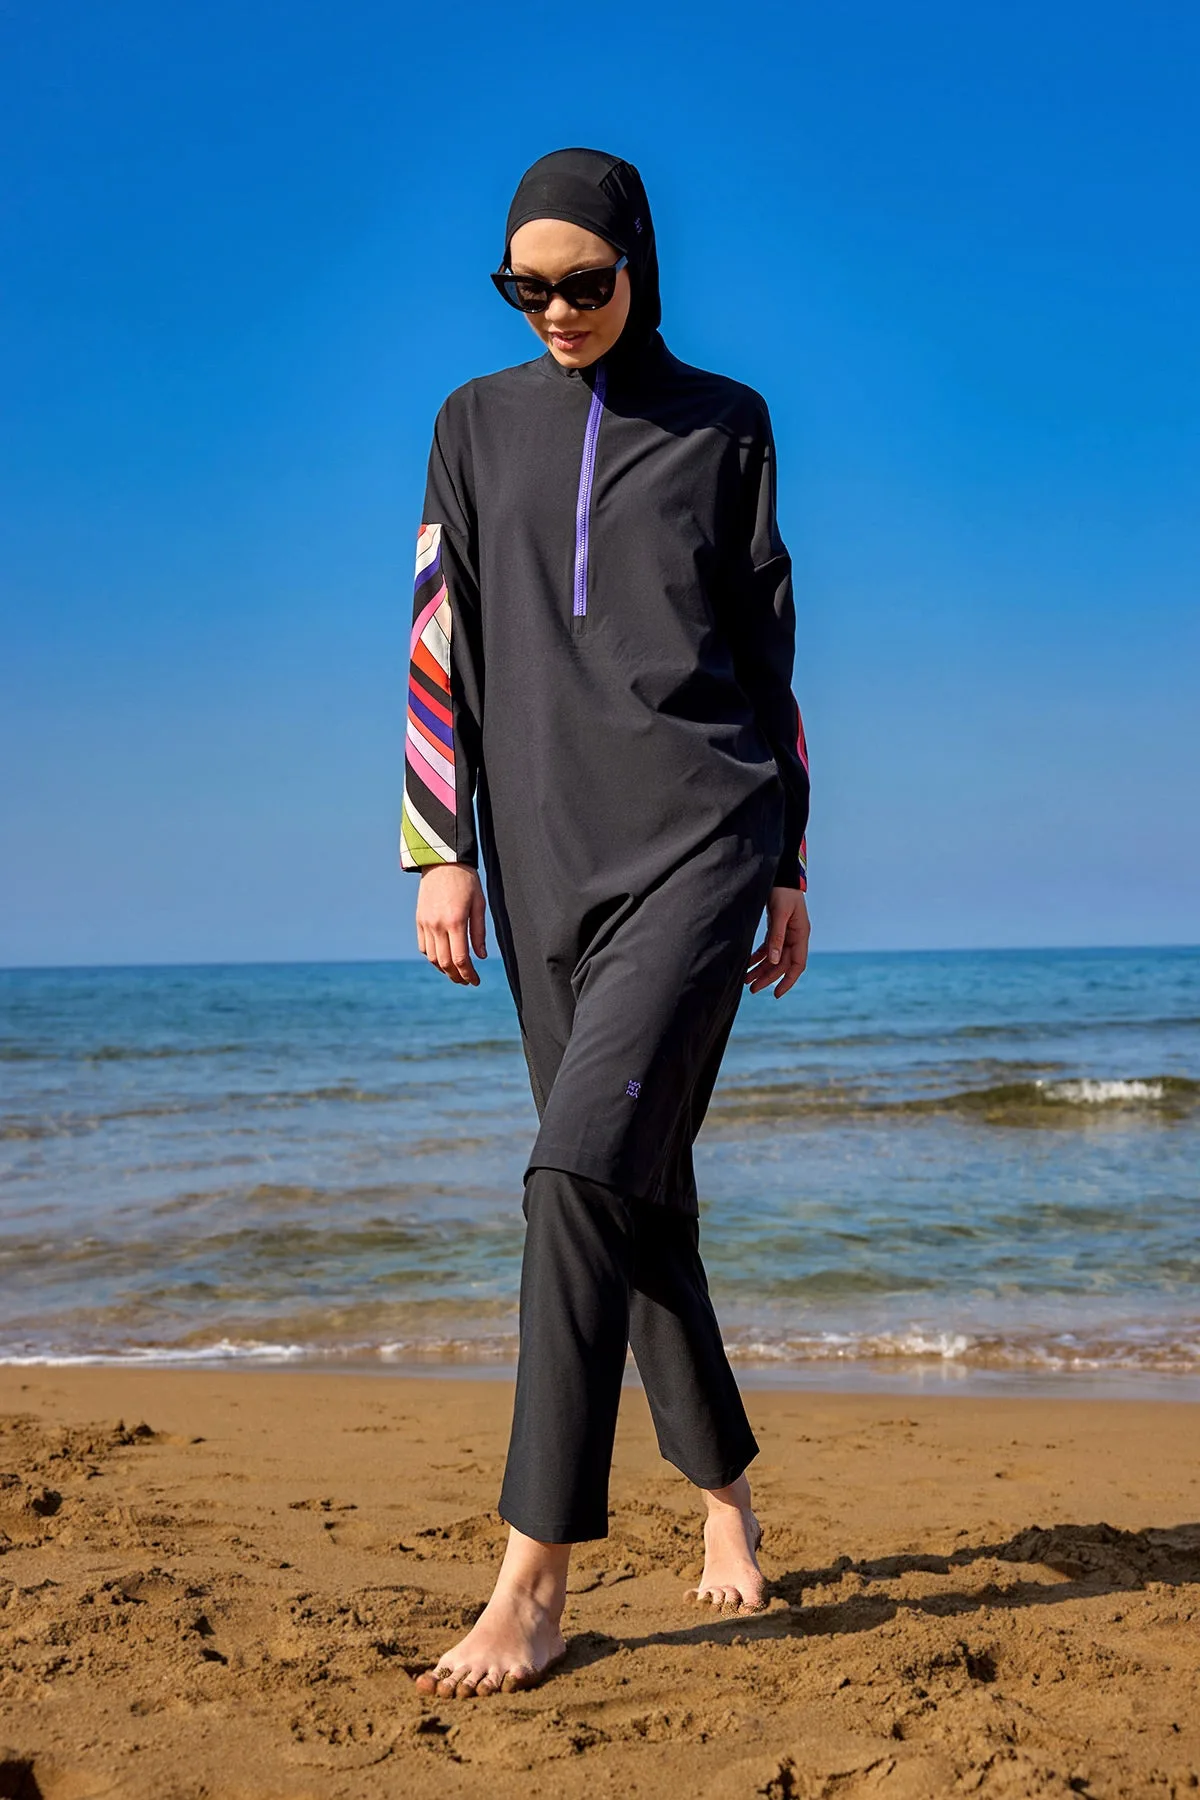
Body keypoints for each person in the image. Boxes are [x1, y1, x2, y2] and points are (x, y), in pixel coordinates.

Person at [401, 148, 811, 1699]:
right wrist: (442, 850)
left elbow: (768, 656)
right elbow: (437, 634)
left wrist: (787, 859)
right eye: (527, 287)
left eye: (584, 282)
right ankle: (728, 1499)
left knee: (573, 1177)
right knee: (635, 1197)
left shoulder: (728, 423)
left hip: (703, 839)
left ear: (640, 264)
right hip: (540, 858)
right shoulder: (470, 424)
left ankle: (534, 1582)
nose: (557, 310)